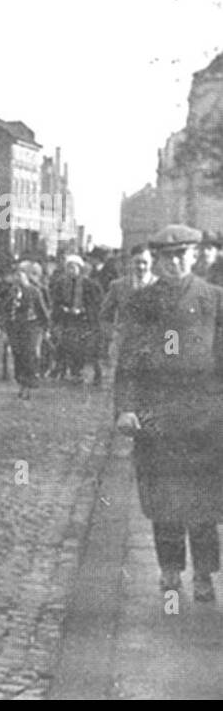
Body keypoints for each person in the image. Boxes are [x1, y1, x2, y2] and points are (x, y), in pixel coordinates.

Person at [115, 224, 222, 603]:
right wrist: (126, 408)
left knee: (205, 502)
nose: (175, 262)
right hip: (157, 417)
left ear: (194, 256)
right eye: (167, 257)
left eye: (182, 255)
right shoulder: (142, 303)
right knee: (165, 500)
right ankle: (171, 571)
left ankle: (205, 574)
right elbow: (127, 360)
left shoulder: (214, 300)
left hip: (205, 419)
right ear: (157, 261)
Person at [51, 254, 104, 386]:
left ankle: (96, 374)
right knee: (70, 346)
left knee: (87, 349)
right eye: (68, 267)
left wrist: (83, 310)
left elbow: (96, 303)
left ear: (80, 268)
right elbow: (56, 302)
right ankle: (74, 372)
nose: (71, 270)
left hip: (85, 320)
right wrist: (62, 309)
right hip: (68, 319)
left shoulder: (89, 284)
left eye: (73, 267)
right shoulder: (61, 284)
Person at [0, 261, 50, 400]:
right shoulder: (11, 292)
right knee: (18, 355)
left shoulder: (34, 291)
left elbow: (42, 310)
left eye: (20, 275)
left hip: (30, 327)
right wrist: (4, 326)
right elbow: (5, 309)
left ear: (26, 276)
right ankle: (21, 381)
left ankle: (28, 385)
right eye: (15, 275)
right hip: (15, 328)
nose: (17, 278)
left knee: (29, 354)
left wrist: (46, 328)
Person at [100, 244, 155, 368]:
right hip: (125, 348)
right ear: (131, 263)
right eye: (137, 262)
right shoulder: (118, 286)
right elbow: (105, 315)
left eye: (145, 262)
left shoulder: (161, 286)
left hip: (152, 349)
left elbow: (169, 321)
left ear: (152, 262)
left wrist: (170, 350)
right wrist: (112, 338)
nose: (141, 267)